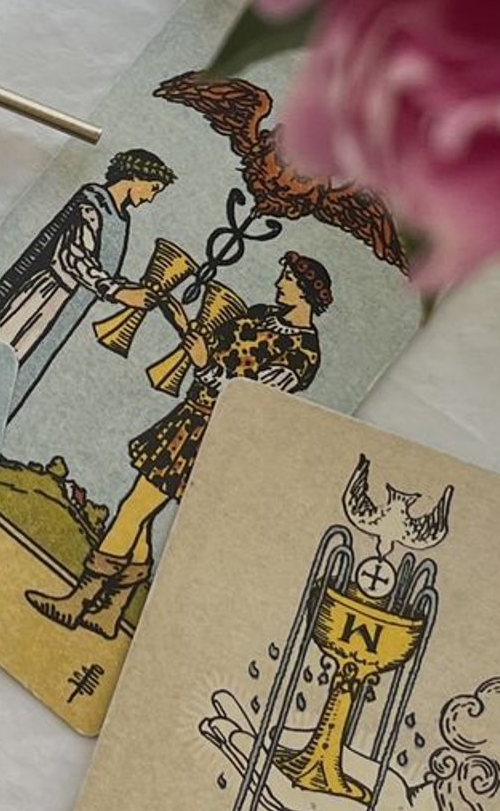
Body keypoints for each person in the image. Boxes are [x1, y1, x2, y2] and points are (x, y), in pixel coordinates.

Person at [27, 250, 330, 636]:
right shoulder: (260, 314)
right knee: (142, 510)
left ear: (305, 291)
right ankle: (111, 612)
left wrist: (204, 364)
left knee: (135, 507)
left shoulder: (302, 354)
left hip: (214, 434)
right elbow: (213, 347)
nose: (278, 283)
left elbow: (248, 399)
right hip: (190, 417)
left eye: (287, 279)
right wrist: (183, 323)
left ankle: (79, 600)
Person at [0, 148, 177, 418]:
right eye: (153, 188)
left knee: (21, 367)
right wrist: (118, 292)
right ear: (134, 176)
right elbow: (74, 256)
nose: (151, 197)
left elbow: (99, 266)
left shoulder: (121, 220)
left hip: (64, 308)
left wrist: (129, 288)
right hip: (43, 296)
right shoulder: (94, 202)